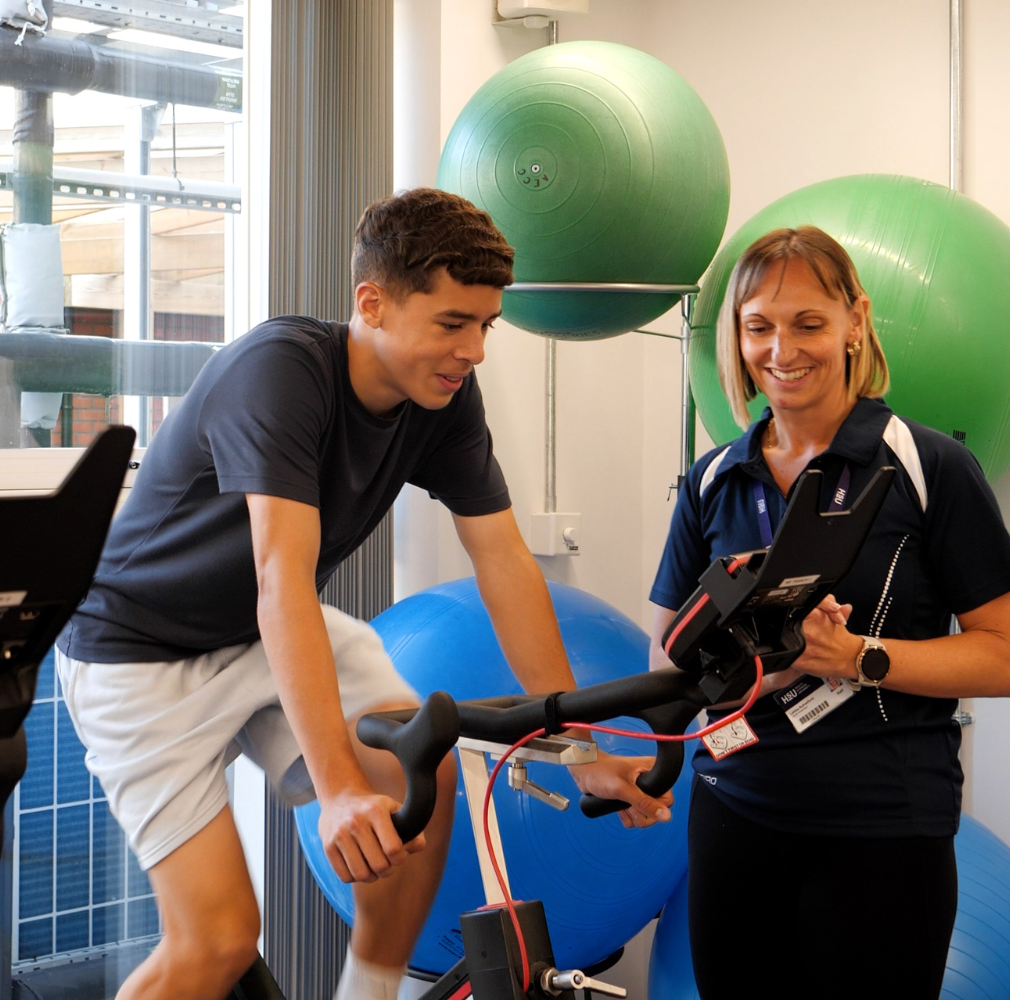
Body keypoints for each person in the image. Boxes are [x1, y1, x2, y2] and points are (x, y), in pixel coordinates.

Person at [54, 188, 673, 1000]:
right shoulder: (279, 373)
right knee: (218, 942)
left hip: (259, 629)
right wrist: (338, 786)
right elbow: (279, 575)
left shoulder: (443, 397)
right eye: (452, 323)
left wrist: (580, 750)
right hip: (138, 654)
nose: (473, 350)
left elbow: (505, 562)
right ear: (371, 302)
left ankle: (368, 992)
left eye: (486, 325)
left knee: (419, 768)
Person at [648, 226, 1010, 1000]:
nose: (781, 349)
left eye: (808, 323)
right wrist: (766, 664)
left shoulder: (930, 468)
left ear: (856, 320)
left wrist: (855, 656)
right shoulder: (713, 478)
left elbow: (1004, 658)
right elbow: (670, 660)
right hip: (734, 818)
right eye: (758, 326)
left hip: (883, 831)